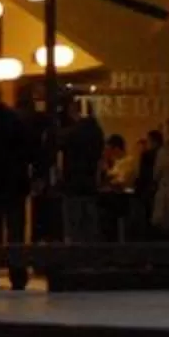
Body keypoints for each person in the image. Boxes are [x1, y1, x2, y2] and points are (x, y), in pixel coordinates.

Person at [0, 88, 34, 285]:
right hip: (13, 183)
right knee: (15, 232)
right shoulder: (15, 120)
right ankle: (17, 275)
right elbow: (28, 150)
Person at [56, 99, 105, 245]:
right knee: (89, 226)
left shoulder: (70, 134)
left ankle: (76, 261)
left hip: (73, 185)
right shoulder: (97, 132)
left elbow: (59, 147)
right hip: (89, 185)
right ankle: (90, 260)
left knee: (74, 227)